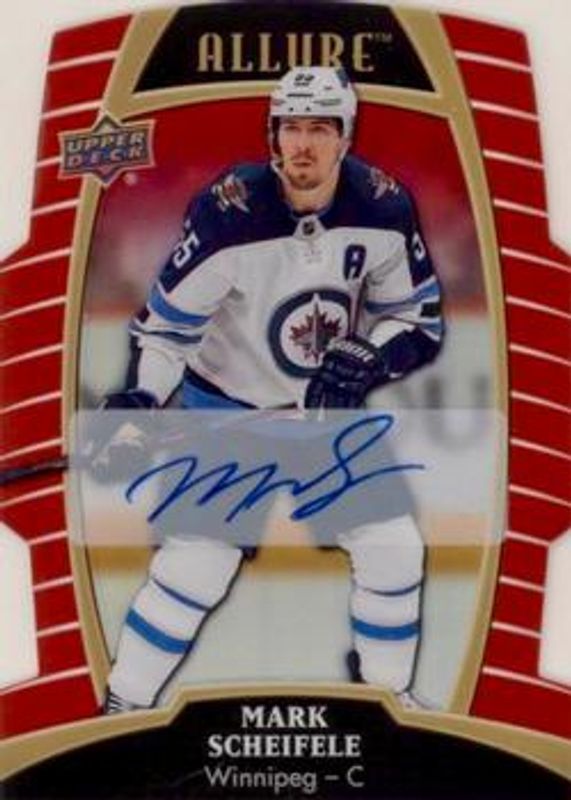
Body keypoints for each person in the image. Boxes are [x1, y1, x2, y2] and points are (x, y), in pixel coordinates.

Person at [99, 67, 444, 713]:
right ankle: (124, 703)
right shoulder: (228, 213)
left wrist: (372, 356)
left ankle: (388, 695)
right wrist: (141, 402)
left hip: (319, 418)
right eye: (291, 127)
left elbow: (416, 320)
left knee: (394, 548)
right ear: (272, 134)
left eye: (320, 129)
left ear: (346, 137)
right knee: (196, 565)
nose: (303, 145)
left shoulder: (383, 207)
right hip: (226, 409)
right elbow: (167, 333)